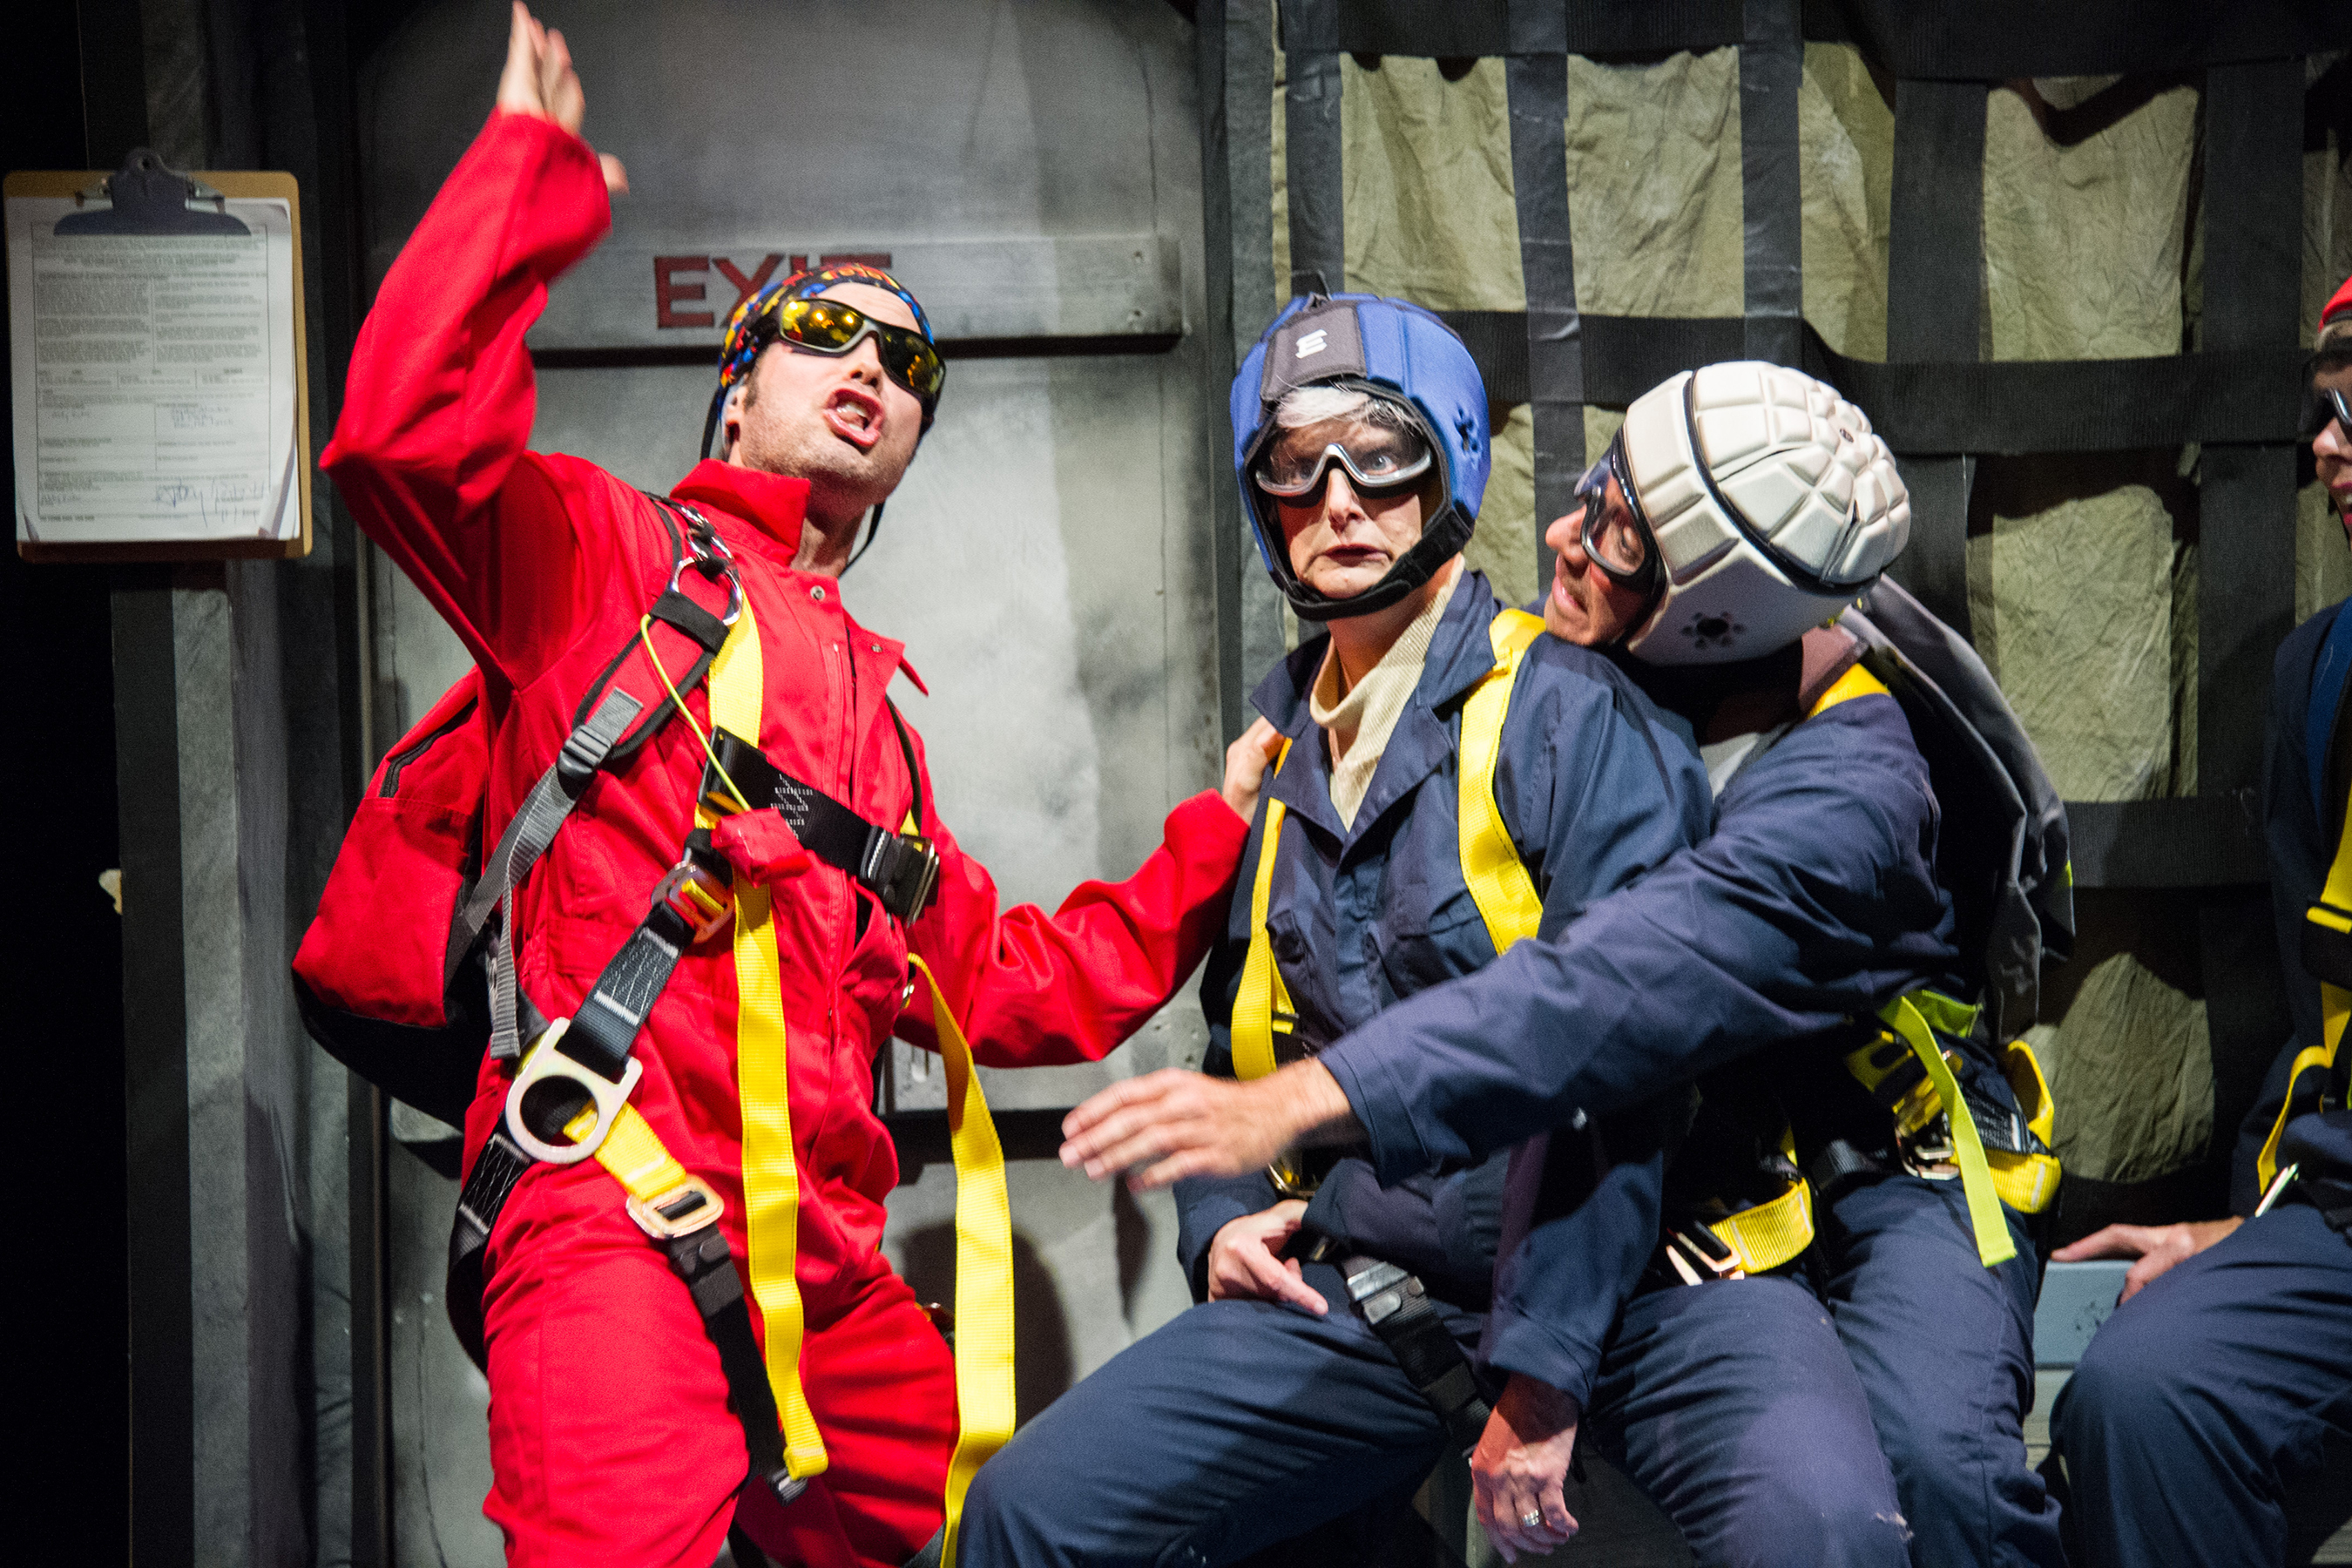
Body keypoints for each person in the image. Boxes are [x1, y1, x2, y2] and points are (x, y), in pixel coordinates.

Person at [321, 10, 1277, 1566]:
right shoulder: (605, 565)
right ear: (737, 392)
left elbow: (1008, 984)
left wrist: (1220, 833)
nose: (874, 367)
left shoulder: (876, 731)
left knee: (1004, 1526)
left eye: (909, 362)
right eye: (826, 334)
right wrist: (523, 183)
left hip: (822, 1269)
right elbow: (401, 440)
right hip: (609, 1217)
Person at [1061, 362, 2071, 1568]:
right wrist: (1229, 1197)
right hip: (1644, 1156)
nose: (1565, 538)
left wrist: (1310, 1104)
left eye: (1617, 538)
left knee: (1932, 1477)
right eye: (1596, 492)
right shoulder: (1513, 692)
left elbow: (1605, 995)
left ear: (1712, 614)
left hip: (1870, 1157)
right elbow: (1285, 990)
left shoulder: (1846, 797)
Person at [950, 294, 1713, 1568]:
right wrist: (1219, 1216)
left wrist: (1545, 1372)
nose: (1340, 501)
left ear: (1447, 466)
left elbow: (1639, 1068)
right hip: (1362, 1288)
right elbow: (1241, 1043)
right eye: (1297, 469)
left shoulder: (1571, 716)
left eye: (1381, 455)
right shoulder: (1282, 745)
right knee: (1027, 1512)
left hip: (1586, 1296)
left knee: (1818, 1520)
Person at [2044, 276, 2352, 1568]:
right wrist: (2262, 1219)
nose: (2327, 448)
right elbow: (2317, 1011)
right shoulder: (2317, 675)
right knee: (2136, 1395)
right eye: (2324, 410)